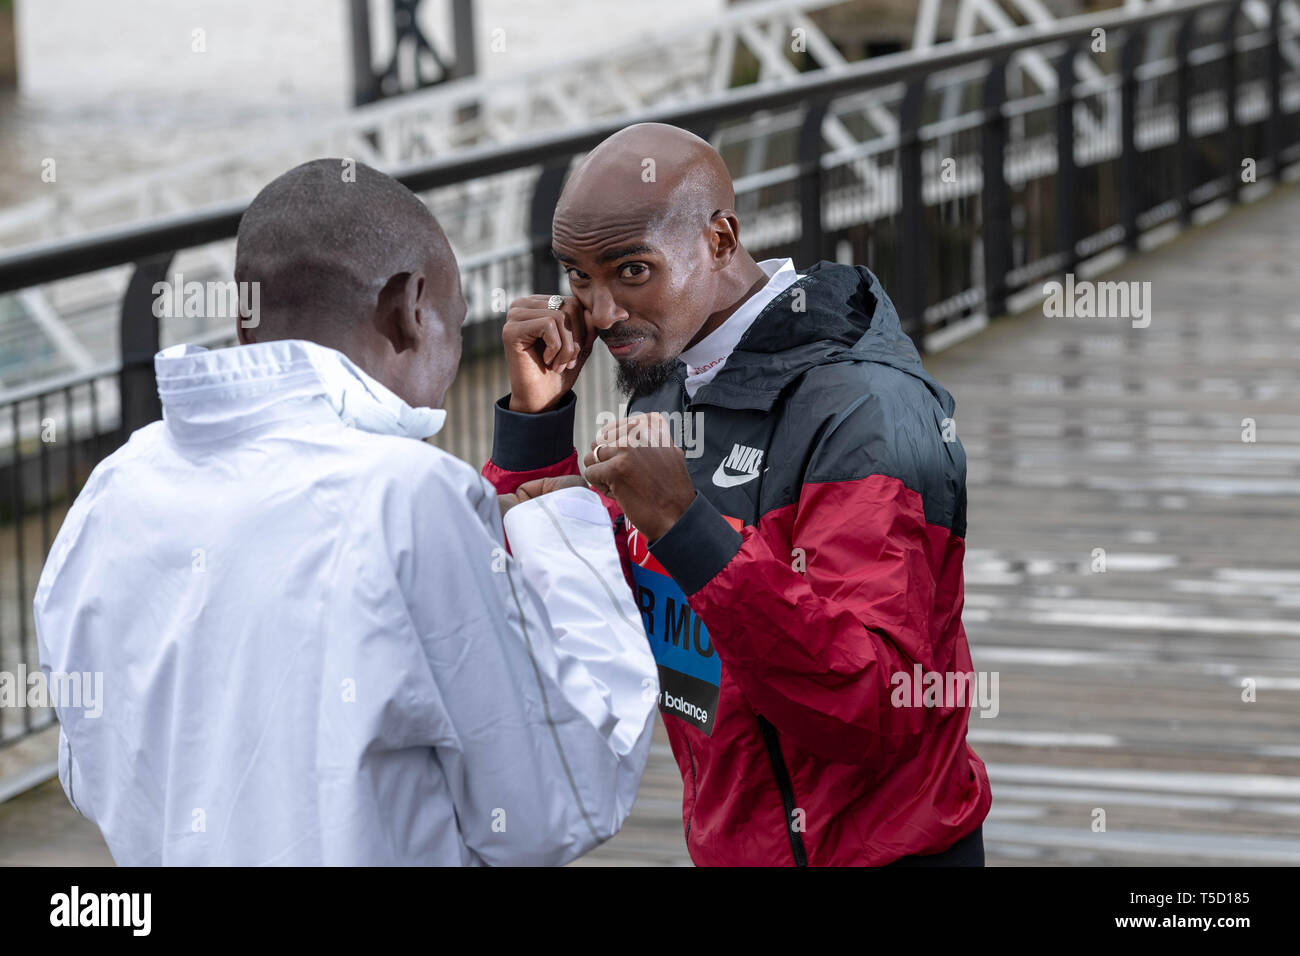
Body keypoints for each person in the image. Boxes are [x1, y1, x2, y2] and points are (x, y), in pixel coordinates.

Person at [33, 159, 657, 866]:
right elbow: (565, 800)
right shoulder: (408, 498)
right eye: (451, 327)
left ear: (244, 321)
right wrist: (562, 531)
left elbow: (92, 773)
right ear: (409, 307)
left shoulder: (113, 491)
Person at [484, 123, 991, 866]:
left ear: (720, 240)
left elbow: (879, 707)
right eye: (579, 276)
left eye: (629, 271)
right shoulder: (668, 389)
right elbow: (575, 611)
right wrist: (536, 425)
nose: (598, 313)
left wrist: (687, 528)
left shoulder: (869, 411)